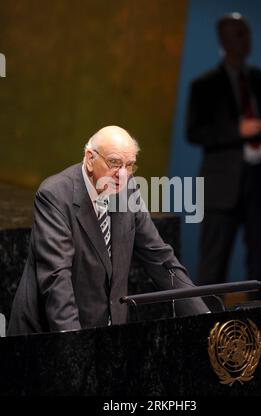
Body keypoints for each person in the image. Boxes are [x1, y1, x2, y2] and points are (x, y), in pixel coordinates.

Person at [8, 126, 209, 335]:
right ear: (89, 158)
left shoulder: (127, 189)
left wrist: (206, 320)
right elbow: (57, 280)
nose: (122, 175)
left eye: (129, 165)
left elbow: (160, 258)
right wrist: (76, 348)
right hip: (48, 336)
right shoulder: (55, 195)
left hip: (106, 336)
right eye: (114, 163)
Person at [186, 13, 261, 297]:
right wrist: (237, 130)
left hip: (260, 183)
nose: (246, 41)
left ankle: (259, 329)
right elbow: (195, 132)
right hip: (222, 187)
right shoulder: (204, 85)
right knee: (213, 266)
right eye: (239, 35)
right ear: (224, 39)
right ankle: (205, 329)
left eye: (247, 34)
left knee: (259, 266)